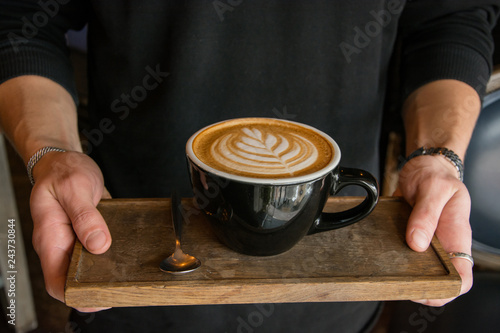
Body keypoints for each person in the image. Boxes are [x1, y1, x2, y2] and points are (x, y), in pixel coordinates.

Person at [0, 0, 498, 332]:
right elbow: (22, 16)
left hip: (334, 294)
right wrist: (52, 151)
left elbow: (448, 20)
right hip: (130, 272)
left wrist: (439, 155)